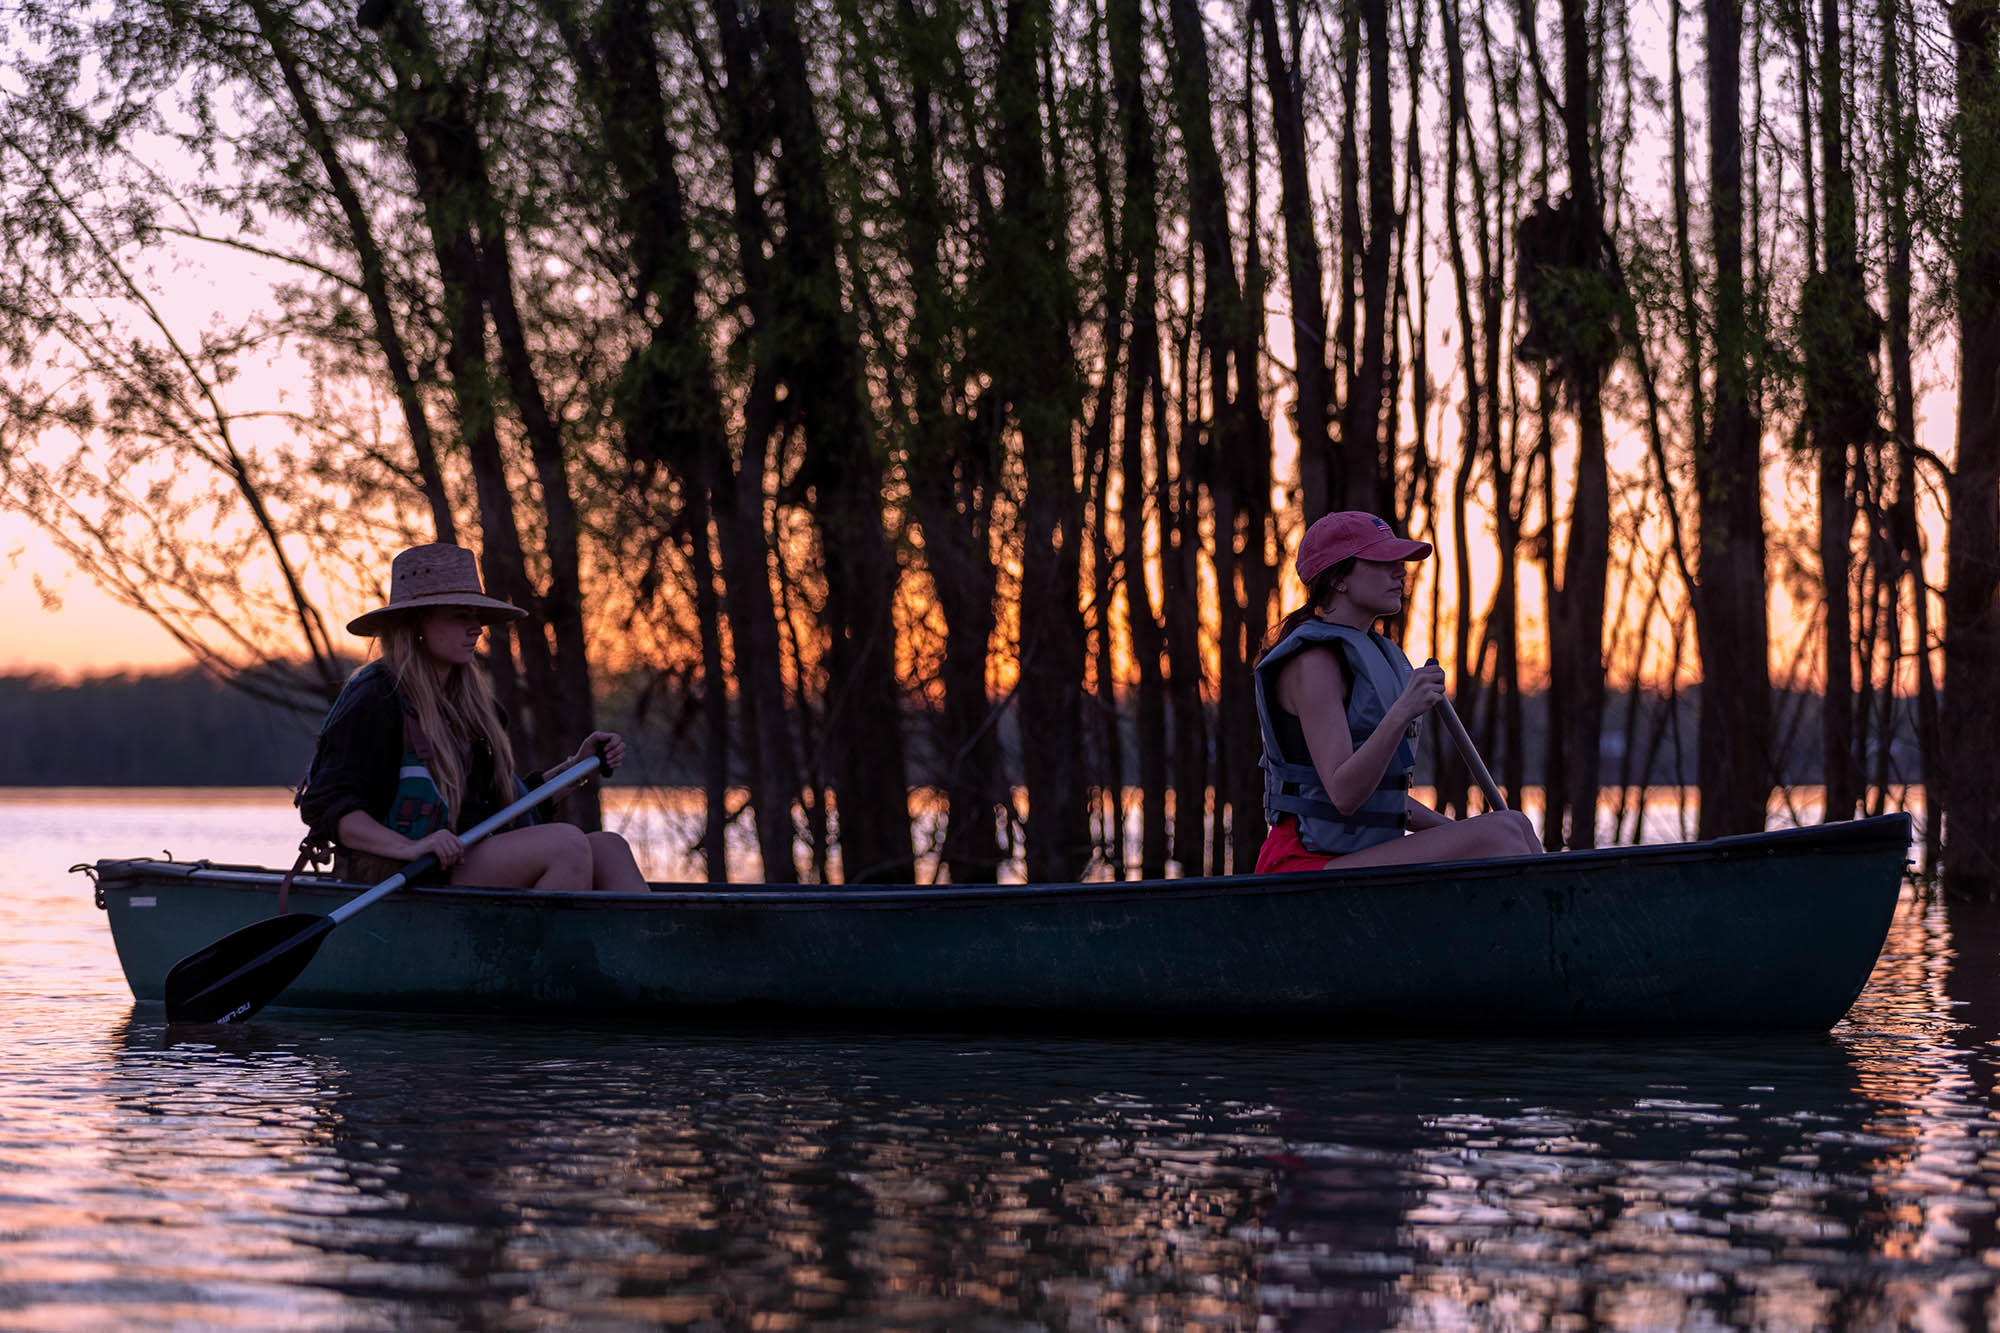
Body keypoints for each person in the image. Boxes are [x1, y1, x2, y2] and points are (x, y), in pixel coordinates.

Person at [299, 543, 647, 893]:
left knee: (609, 848)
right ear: (417, 622)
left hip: (459, 859)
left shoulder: (473, 707)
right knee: (566, 845)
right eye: (460, 616)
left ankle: (639, 933)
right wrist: (411, 847)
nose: (476, 628)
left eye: (476, 616)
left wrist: (576, 768)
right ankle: (532, 933)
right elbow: (327, 805)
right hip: (399, 872)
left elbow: (499, 810)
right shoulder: (376, 699)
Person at [1254, 511, 1541, 872]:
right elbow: (1343, 794)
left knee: (1514, 825)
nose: (1400, 571)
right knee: (1503, 834)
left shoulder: (1374, 652)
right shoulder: (1314, 663)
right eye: (1382, 561)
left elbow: (1386, 802)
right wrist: (1403, 710)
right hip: (1304, 864)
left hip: (1349, 856)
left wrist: (1461, 835)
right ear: (1339, 578)